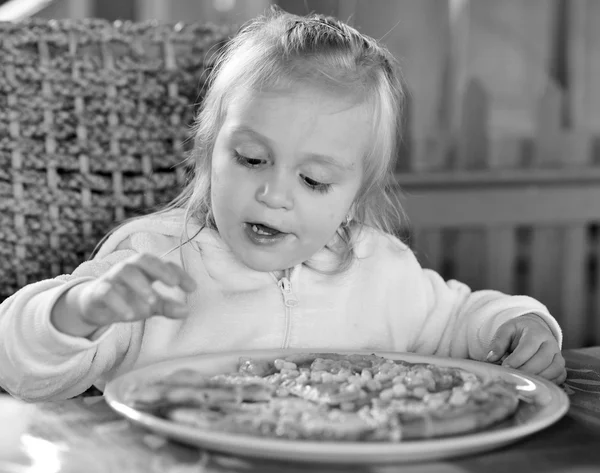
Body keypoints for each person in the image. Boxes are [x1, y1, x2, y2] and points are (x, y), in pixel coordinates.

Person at [0, 8, 566, 402]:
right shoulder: (154, 259)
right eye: (250, 159)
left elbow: (463, 320)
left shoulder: (381, 270)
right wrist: (82, 310)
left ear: (351, 201)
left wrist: (520, 325)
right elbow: (22, 371)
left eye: (315, 180)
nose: (274, 193)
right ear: (206, 157)